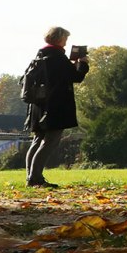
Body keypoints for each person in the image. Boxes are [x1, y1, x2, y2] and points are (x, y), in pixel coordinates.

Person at [24, 27, 89, 188]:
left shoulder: (41, 55)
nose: (66, 42)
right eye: (65, 39)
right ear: (59, 39)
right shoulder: (57, 57)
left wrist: (71, 63)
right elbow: (76, 77)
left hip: (39, 104)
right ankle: (36, 178)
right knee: (50, 141)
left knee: (37, 140)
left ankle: (30, 177)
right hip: (55, 105)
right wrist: (83, 64)